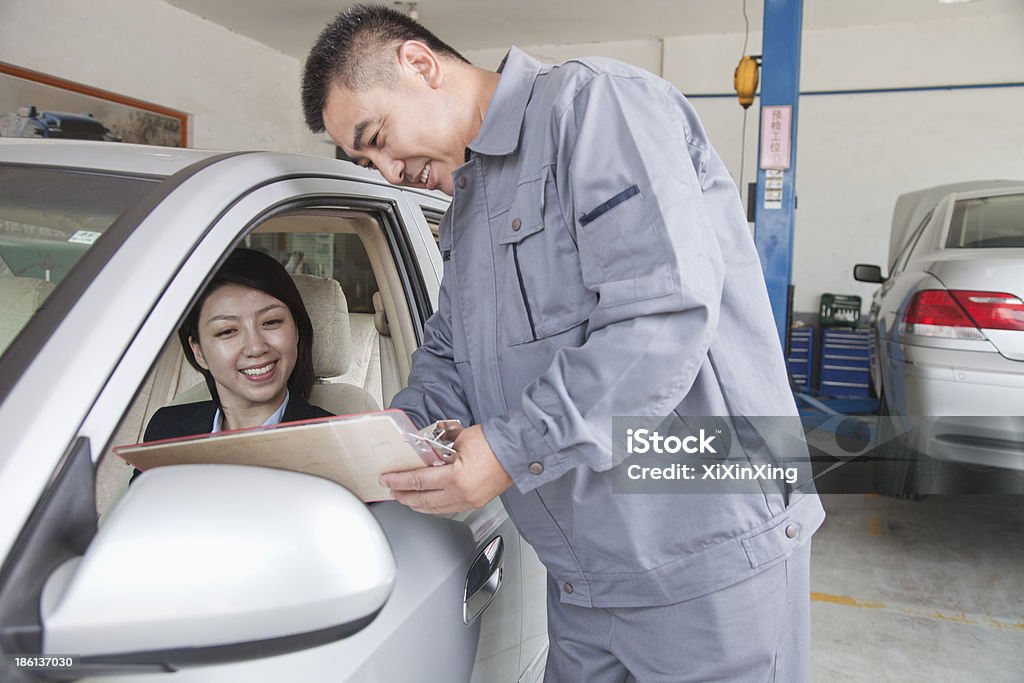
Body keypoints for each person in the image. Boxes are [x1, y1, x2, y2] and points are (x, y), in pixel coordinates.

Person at [302, 6, 825, 681]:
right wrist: (398, 432)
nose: (388, 170)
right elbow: (450, 352)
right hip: (586, 578)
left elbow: (663, 315)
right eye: (365, 159)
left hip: (709, 561)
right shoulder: (469, 208)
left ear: (421, 65)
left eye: (377, 139)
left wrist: (508, 447)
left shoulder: (595, 107)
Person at [140, 248, 332, 445]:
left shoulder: (340, 442)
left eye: (271, 322)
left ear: (297, 331)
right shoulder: (165, 430)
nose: (255, 348)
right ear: (198, 352)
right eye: (227, 331)